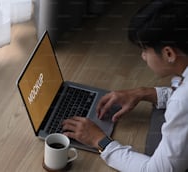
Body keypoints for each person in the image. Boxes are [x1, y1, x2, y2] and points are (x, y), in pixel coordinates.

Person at [62, 0, 188, 171]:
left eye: (144, 50)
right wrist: (143, 93)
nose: (143, 57)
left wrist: (100, 141)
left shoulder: (181, 102)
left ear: (168, 53)